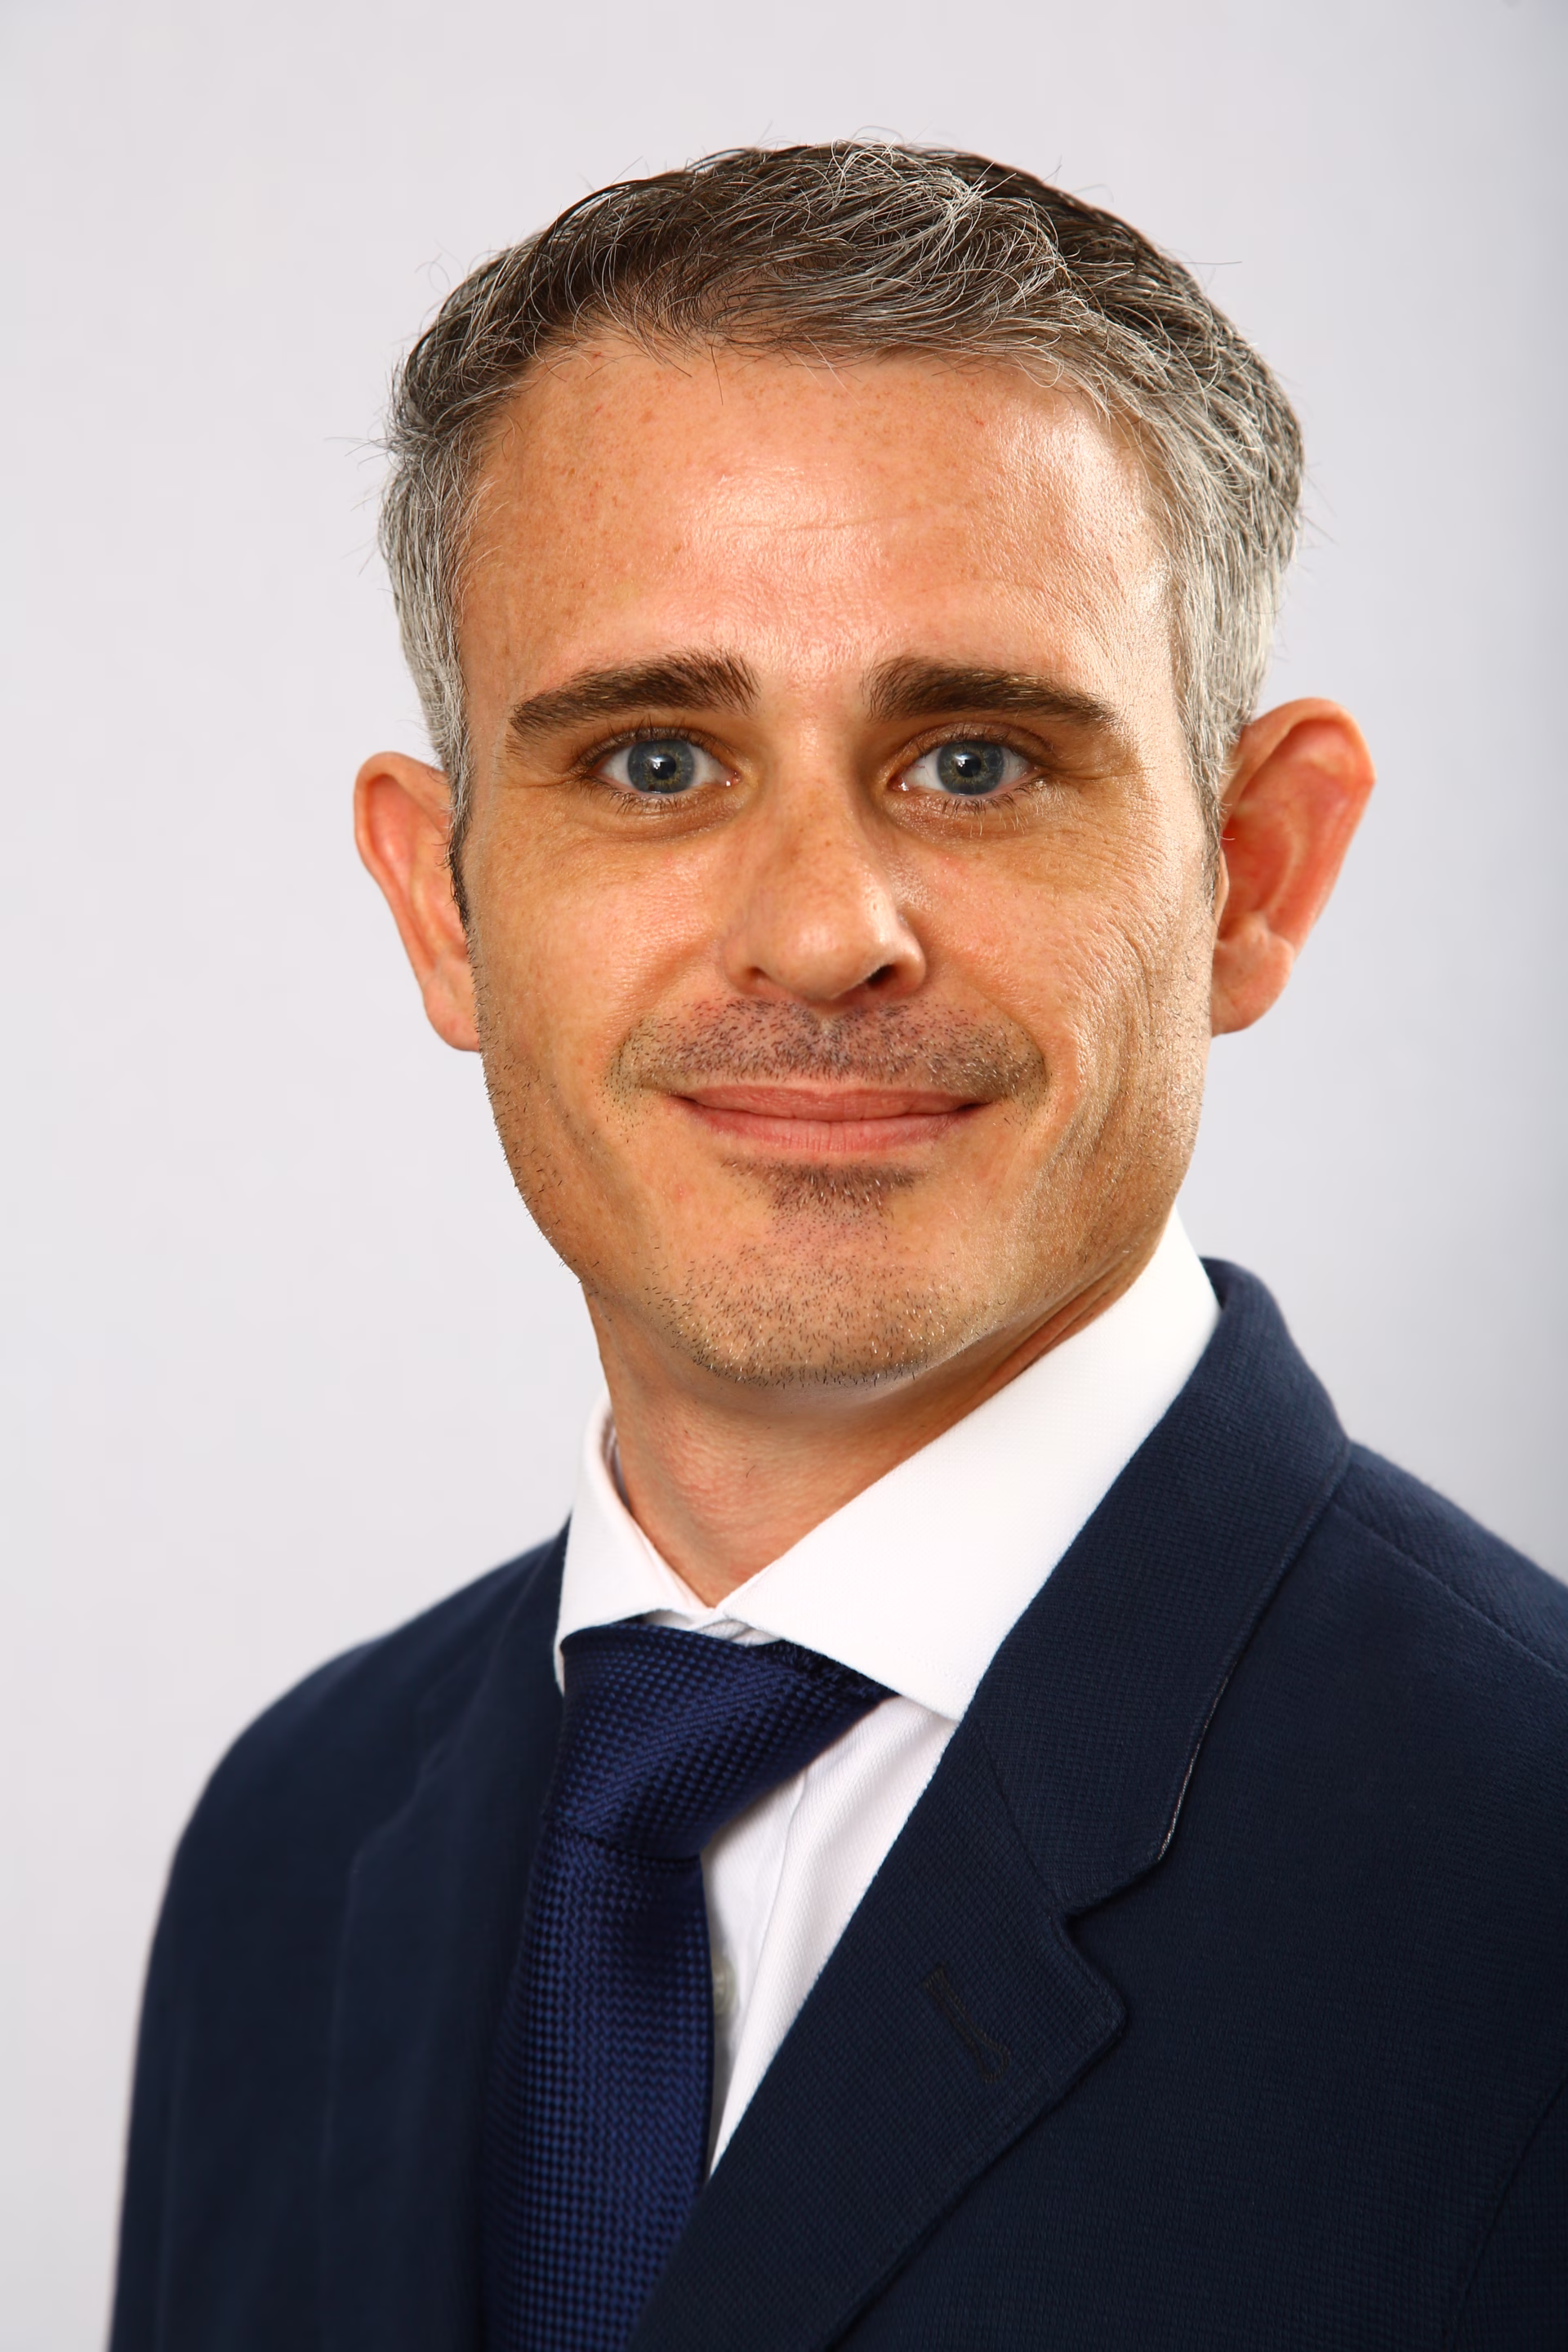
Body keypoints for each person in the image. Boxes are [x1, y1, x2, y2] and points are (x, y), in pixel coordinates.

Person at [109, 145, 1567, 2352]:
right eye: (655, 760)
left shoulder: (1529, 1879)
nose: (821, 932)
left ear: (1254, 874)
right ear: (444, 905)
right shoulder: (295, 1846)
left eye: (974, 761)